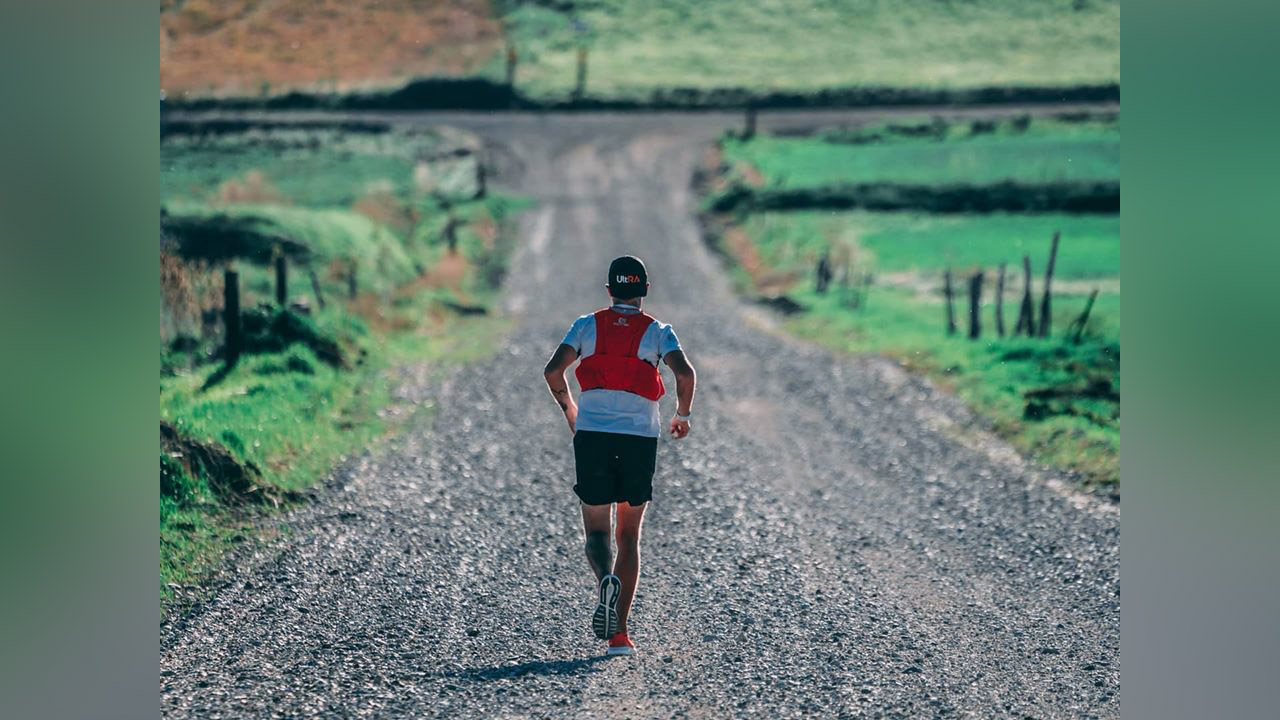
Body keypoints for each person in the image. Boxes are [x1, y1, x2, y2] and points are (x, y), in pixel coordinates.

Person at [542, 255, 697, 657]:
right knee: (629, 536)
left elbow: (553, 372)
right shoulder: (659, 332)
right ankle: (620, 636)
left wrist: (571, 411)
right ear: (645, 290)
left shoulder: (586, 325)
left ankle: (605, 579)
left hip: (592, 434)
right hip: (638, 438)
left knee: (596, 531)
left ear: (609, 289)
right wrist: (682, 415)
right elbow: (685, 374)